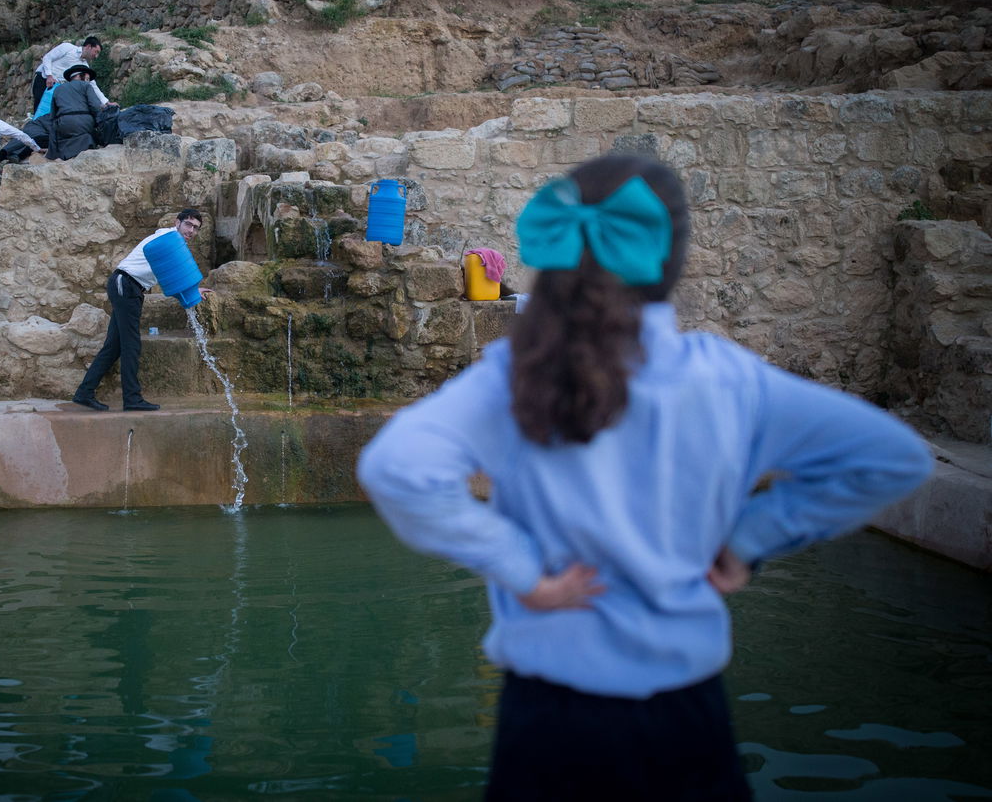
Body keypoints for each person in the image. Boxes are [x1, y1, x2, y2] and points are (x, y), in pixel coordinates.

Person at [356, 154, 932, 800]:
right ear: (674, 261)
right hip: (686, 722)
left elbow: (394, 467)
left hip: (547, 725)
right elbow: (893, 457)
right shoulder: (728, 380)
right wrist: (750, 539)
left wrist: (522, 570)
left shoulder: (511, 377)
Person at [72, 209, 213, 412]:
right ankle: (132, 398)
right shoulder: (168, 237)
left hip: (129, 287)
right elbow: (178, 271)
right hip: (126, 284)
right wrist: (191, 287)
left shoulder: (171, 247)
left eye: (196, 228)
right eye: (188, 224)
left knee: (114, 346)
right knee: (132, 345)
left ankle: (84, 393)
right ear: (178, 223)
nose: (191, 230)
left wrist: (193, 290)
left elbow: (172, 280)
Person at [32, 35, 114, 111]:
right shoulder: (68, 48)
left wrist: (106, 102)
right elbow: (47, 58)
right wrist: (49, 76)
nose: (96, 56)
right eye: (96, 52)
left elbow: (92, 85)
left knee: (50, 112)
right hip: (43, 79)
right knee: (39, 109)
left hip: (56, 88)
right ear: (88, 47)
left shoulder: (84, 66)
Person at [46, 64, 105, 161]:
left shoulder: (58, 89)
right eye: (87, 77)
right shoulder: (86, 86)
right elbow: (95, 106)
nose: (88, 80)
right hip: (84, 123)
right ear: (79, 75)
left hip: (63, 124)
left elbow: (53, 114)